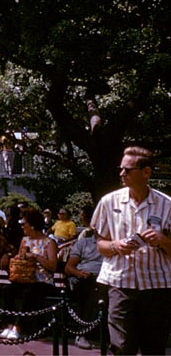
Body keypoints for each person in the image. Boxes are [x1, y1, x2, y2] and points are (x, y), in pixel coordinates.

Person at [91, 146, 171, 355]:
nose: (121, 174)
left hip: (157, 286)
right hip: (120, 283)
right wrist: (115, 246)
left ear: (146, 172)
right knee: (122, 347)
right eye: (121, 169)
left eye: (127, 170)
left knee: (154, 348)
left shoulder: (167, 205)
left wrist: (162, 241)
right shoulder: (108, 202)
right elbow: (100, 245)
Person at [0, 208, 57, 340]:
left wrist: (36, 257)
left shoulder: (49, 242)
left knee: (29, 292)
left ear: (32, 225)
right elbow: (20, 259)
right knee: (8, 290)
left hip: (42, 281)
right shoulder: (24, 240)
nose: (21, 226)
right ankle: (8, 325)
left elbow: (53, 266)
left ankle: (18, 327)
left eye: (23, 224)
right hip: (24, 278)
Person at [63, 204, 105, 350]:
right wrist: (80, 273)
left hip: (103, 280)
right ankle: (82, 334)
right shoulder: (83, 243)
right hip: (82, 279)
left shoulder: (112, 246)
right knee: (89, 288)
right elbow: (69, 267)